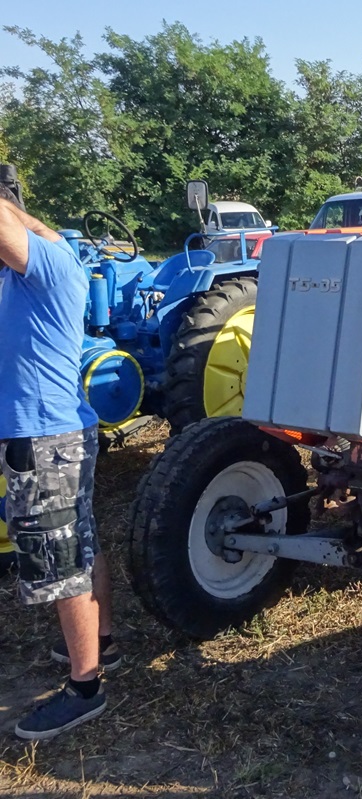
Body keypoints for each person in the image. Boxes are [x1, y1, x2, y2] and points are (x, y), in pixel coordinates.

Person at [0, 184, 119, 740]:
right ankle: (105, 642)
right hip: (59, 431)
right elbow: (38, 228)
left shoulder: (42, 268)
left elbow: (22, 232)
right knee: (81, 539)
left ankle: (85, 687)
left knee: (59, 557)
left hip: (43, 436)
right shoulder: (54, 258)